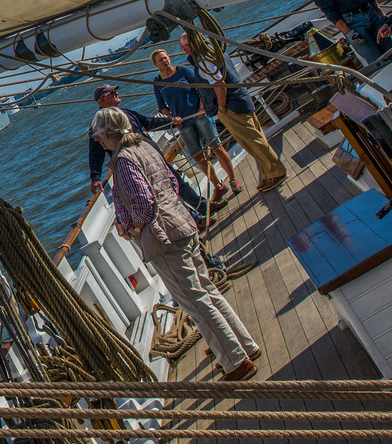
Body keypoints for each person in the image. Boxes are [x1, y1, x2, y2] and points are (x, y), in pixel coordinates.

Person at [91, 107, 263, 381]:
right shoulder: (145, 146)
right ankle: (244, 346)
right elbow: (171, 181)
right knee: (206, 289)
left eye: (99, 136)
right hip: (182, 224)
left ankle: (236, 361)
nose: (98, 141)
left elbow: (145, 206)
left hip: (164, 238)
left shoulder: (123, 160)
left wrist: (131, 228)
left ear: (109, 134)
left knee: (195, 301)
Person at [86, 83, 215, 223]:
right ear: (102, 100)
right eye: (112, 93)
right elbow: (95, 154)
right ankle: (197, 220)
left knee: (178, 184)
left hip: (153, 157)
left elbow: (148, 122)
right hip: (137, 166)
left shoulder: (125, 112)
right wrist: (96, 177)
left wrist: (170, 121)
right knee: (166, 193)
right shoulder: (98, 125)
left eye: (115, 91)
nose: (116, 93)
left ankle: (204, 209)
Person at [178, 34, 289, 192]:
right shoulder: (215, 51)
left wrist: (222, 107)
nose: (184, 51)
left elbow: (219, 84)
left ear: (189, 47)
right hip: (241, 98)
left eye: (184, 47)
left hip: (231, 105)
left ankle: (277, 172)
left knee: (253, 141)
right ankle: (268, 173)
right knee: (255, 137)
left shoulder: (204, 61)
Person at [150, 48, 239, 206]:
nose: (165, 61)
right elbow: (162, 107)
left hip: (200, 115)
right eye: (160, 60)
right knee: (198, 156)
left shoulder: (183, 71)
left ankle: (233, 180)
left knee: (216, 147)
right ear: (156, 65)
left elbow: (200, 87)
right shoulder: (158, 83)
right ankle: (218, 186)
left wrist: (201, 108)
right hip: (183, 123)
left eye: (165, 57)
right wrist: (172, 118)